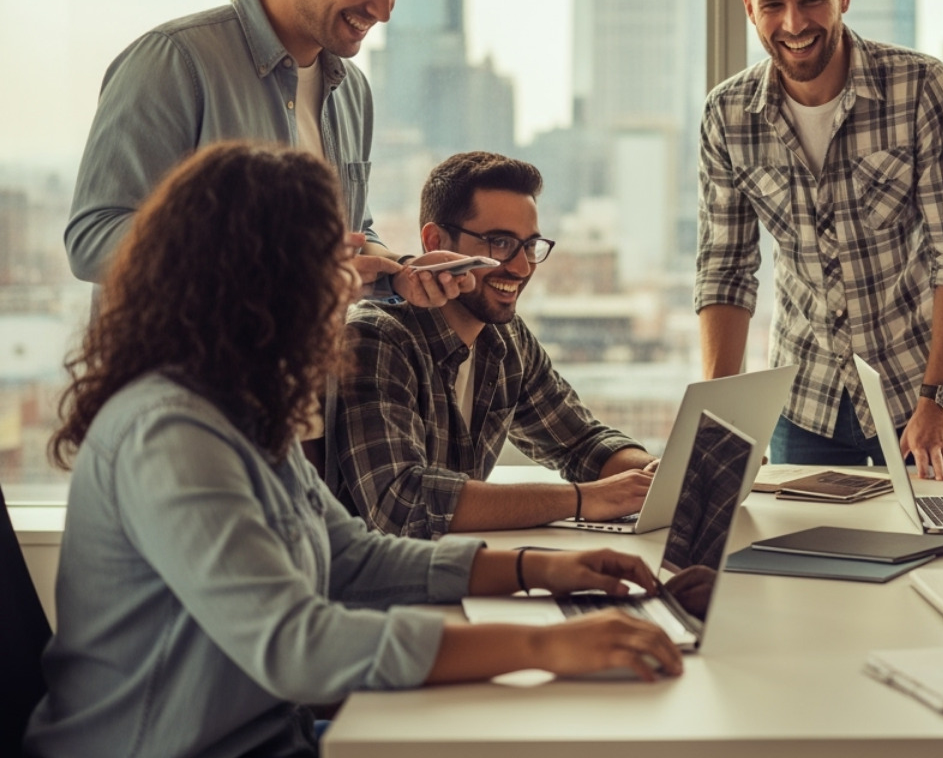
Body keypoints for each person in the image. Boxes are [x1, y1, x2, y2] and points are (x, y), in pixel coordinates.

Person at [26, 142, 682, 758]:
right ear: (260, 283)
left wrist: (537, 569)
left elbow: (351, 558)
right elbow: (296, 644)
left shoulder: (240, 413)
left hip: (264, 734)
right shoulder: (169, 433)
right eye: (332, 267)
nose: (349, 289)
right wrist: (545, 644)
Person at [64, 0, 470, 307]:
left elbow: (347, 237)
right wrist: (267, 263)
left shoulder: (352, 91)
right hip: (187, 376)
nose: (384, 10)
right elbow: (93, 238)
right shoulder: (175, 61)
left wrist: (397, 272)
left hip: (303, 376)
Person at [695, 0, 943, 480]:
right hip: (805, 402)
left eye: (811, 0)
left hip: (918, 392)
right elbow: (725, 271)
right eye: (773, 5)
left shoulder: (921, 88)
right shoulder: (727, 115)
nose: (794, 22)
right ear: (750, 8)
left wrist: (940, 397)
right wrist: (721, 419)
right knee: (805, 563)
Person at [330, 152, 658, 539]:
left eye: (530, 245)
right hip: (378, 589)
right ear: (435, 241)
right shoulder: (377, 337)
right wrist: (583, 499)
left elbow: (581, 443)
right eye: (500, 243)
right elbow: (402, 504)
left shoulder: (504, 337)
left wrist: (652, 473)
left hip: (463, 572)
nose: (520, 268)